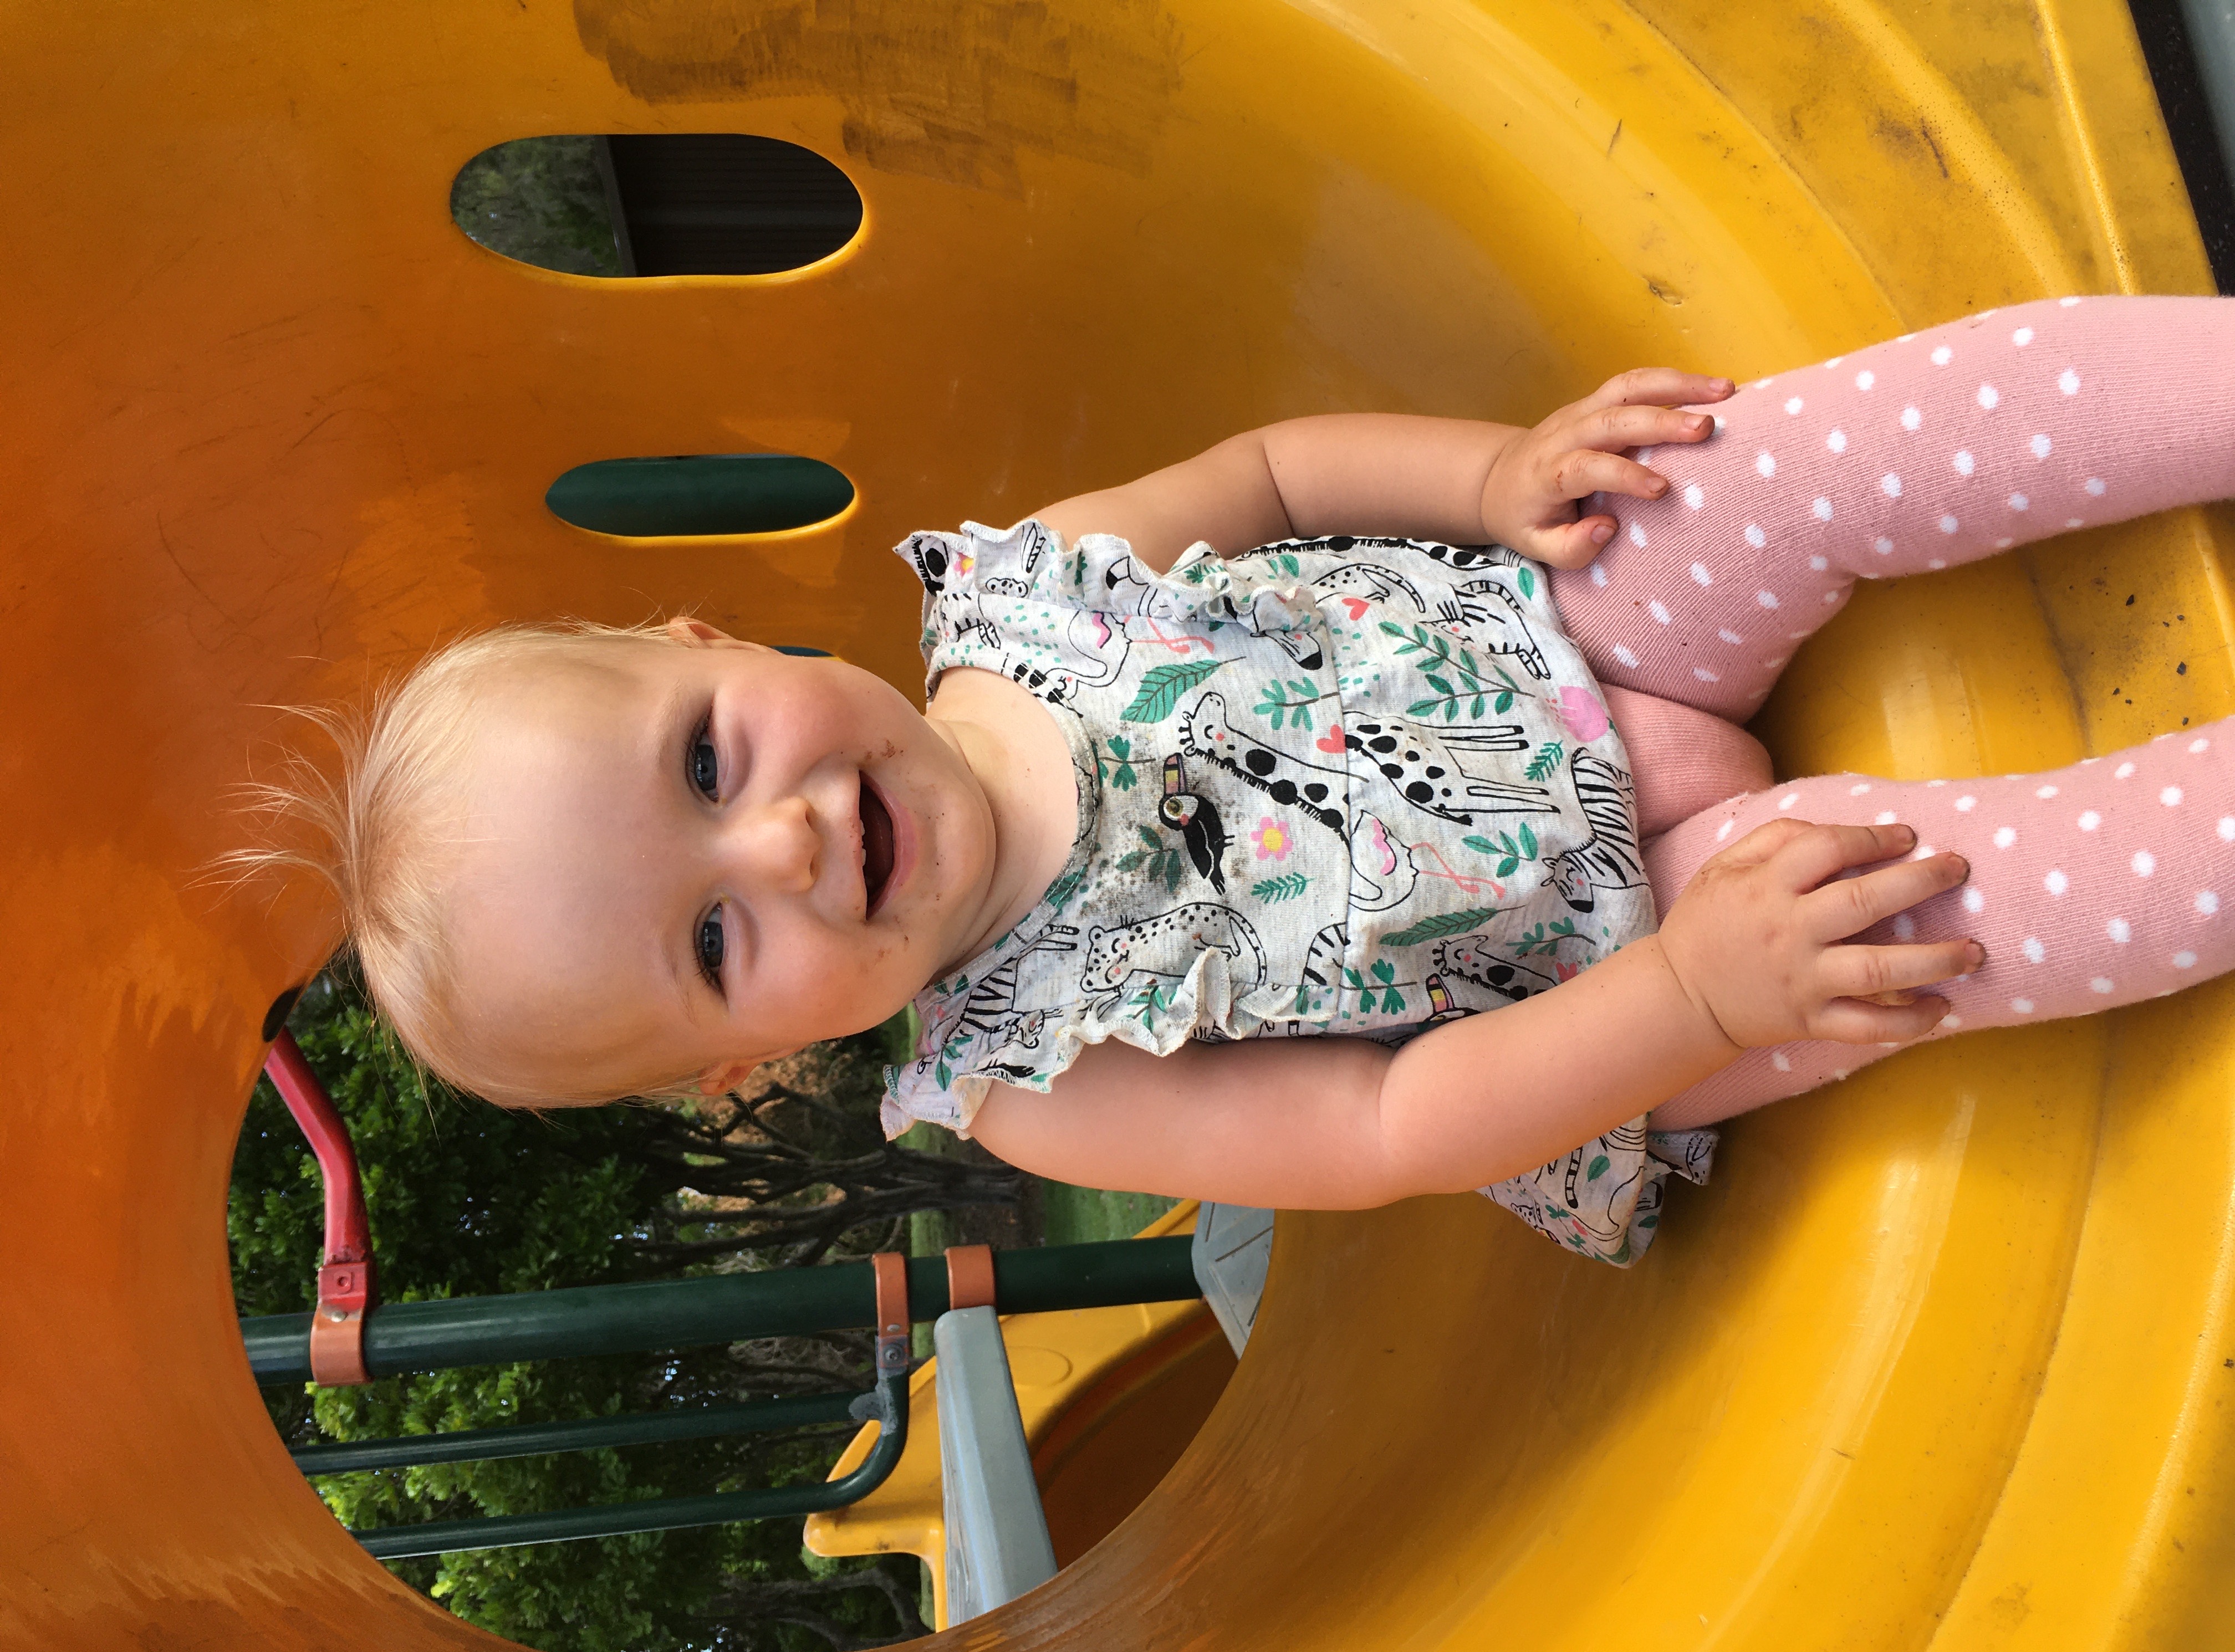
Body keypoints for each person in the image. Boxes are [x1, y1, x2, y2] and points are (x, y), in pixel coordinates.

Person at [257, 294, 2235, 1265]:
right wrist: (1698, 994)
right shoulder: (1039, 1084)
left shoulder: (1028, 591)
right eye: (711, 939)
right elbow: (1395, 1127)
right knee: (1936, 918)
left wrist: (1489, 479)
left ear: (711, 646)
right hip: (1626, 960)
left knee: (1771, 458)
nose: (780, 840)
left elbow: (1278, 478)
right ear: (741, 1069)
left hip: (1572, 630)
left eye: (706, 762)